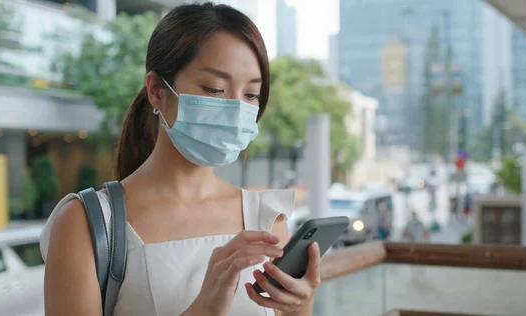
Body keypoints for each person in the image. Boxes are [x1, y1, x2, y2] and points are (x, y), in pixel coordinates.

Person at [39, 3, 321, 316]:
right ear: (157, 90)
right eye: (215, 89)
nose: (236, 109)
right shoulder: (85, 223)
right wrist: (204, 307)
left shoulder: (267, 218)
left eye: (251, 95)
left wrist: (301, 305)